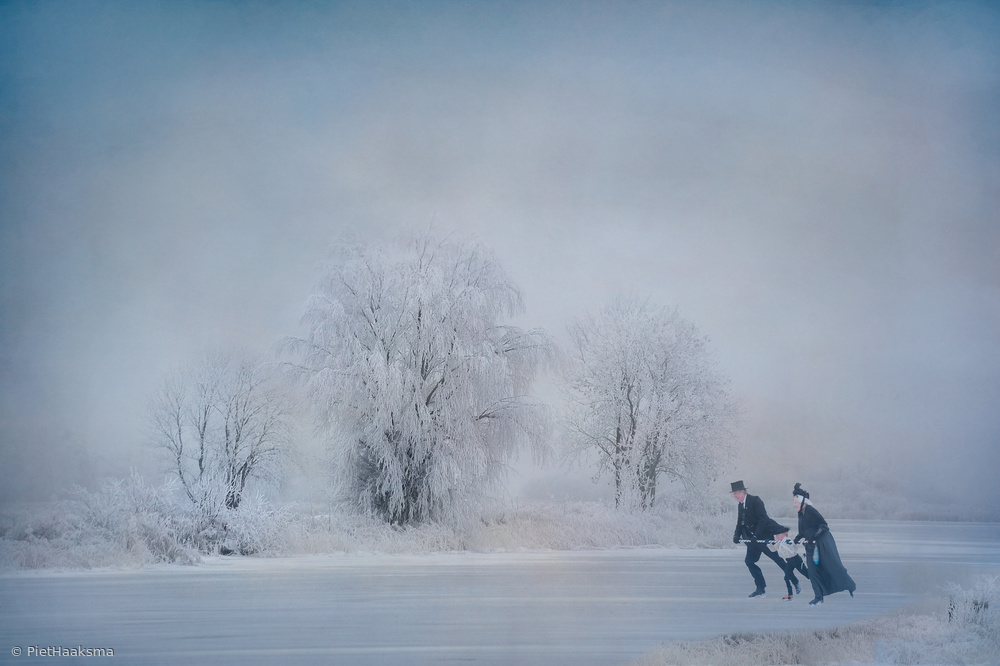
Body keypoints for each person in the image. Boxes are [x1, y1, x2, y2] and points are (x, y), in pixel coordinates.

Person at [792, 482, 857, 605]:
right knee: (812, 571)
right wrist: (797, 538)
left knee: (831, 567)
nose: (794, 505)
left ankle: (850, 585)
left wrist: (814, 536)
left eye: (795, 502)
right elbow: (803, 531)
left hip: (820, 545)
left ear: (802, 502)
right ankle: (818, 597)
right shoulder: (800, 514)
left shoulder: (810, 511)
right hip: (810, 546)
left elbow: (823, 525)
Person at [731, 480, 787, 598]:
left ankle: (795, 580)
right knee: (750, 562)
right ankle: (760, 588)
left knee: (778, 560)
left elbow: (763, 520)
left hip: (764, 538)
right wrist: (736, 535)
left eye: (736, 494)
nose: (735, 496)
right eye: (734, 494)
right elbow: (740, 522)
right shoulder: (740, 505)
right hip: (753, 541)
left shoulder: (756, 501)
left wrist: (756, 536)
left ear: (743, 492)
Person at [768, 527, 809, 601]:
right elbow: (773, 549)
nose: (777, 537)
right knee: (786, 577)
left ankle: (821, 588)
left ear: (784, 534)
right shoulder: (779, 542)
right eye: (776, 535)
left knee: (807, 574)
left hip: (796, 560)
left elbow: (795, 549)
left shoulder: (788, 540)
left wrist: (790, 544)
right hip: (789, 561)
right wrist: (769, 544)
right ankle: (790, 595)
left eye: (778, 535)